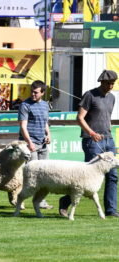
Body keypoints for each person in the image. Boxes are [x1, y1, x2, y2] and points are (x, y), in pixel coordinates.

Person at [59, 70, 119, 217]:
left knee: (113, 176)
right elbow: (79, 118)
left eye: (113, 83)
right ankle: (65, 202)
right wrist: (92, 133)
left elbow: (107, 118)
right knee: (86, 178)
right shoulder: (89, 95)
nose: (110, 86)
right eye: (108, 83)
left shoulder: (112, 97)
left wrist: (109, 135)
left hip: (108, 140)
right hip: (91, 141)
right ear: (101, 82)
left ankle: (111, 210)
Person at [18, 80, 53, 209]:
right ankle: (20, 200)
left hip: (43, 144)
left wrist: (48, 134)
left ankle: (41, 201)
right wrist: (29, 143)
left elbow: (45, 123)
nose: (33, 94)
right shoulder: (25, 105)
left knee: (44, 174)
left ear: (43, 93)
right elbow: (23, 126)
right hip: (30, 144)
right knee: (31, 175)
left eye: (36, 92)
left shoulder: (45, 105)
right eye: (32, 91)